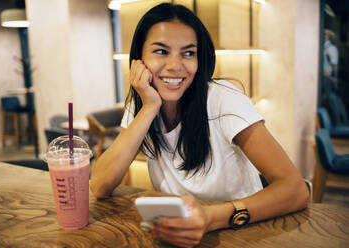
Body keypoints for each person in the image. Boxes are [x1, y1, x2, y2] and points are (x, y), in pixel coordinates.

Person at [90, 3, 309, 247]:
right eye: (161, 51)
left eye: (188, 53)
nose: (175, 65)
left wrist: (210, 218)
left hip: (245, 232)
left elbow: (296, 190)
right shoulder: (144, 101)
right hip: (182, 235)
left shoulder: (224, 100)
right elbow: (100, 185)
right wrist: (149, 108)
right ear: (139, 60)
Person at [323, 29, 339, 93]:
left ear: (328, 36)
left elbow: (335, 65)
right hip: (321, 77)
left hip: (328, 78)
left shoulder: (332, 48)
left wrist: (334, 79)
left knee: (331, 98)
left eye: (325, 34)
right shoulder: (320, 47)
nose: (323, 35)